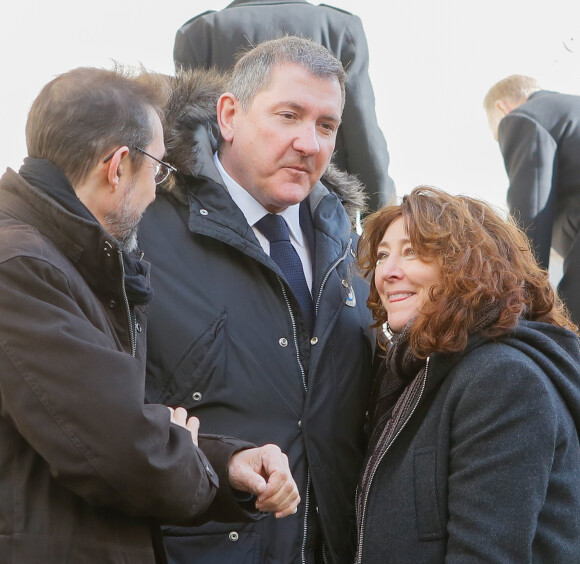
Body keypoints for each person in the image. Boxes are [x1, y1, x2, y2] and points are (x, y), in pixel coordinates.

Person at [0, 66, 300, 564]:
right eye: (158, 168)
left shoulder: (65, 260)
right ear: (118, 166)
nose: (158, 189)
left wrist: (227, 464)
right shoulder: (21, 269)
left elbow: (127, 422)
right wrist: (177, 440)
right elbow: (118, 450)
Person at [138, 37, 376, 564]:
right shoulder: (144, 229)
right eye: (287, 115)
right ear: (229, 115)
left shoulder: (351, 247)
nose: (308, 143)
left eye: (326, 126)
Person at [355, 186, 580, 563]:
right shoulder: (425, 374)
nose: (388, 272)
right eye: (382, 255)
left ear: (468, 265)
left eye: (412, 251)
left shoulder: (503, 379)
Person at [173, 0, 395, 212]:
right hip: (319, 211)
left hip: (218, 209)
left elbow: (189, 136)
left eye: (325, 125)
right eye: (288, 116)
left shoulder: (199, 33)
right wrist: (381, 219)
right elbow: (362, 136)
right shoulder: (339, 28)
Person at [484, 74, 580, 326]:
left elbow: (530, 217)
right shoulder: (570, 112)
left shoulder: (523, 117)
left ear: (502, 108)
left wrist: (517, 301)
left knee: (569, 333)